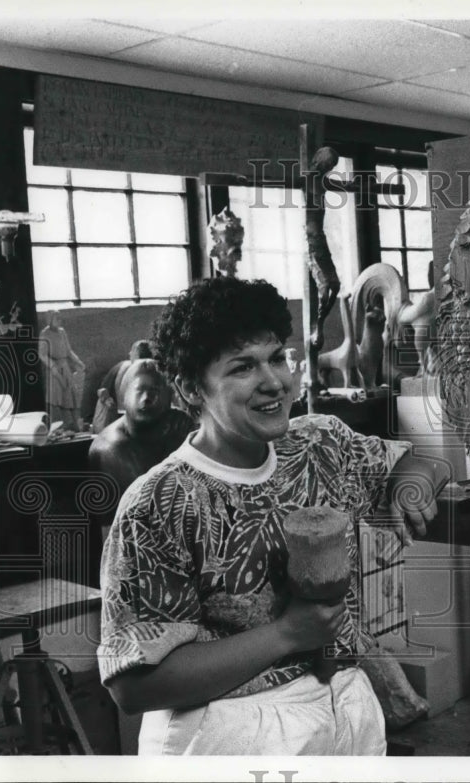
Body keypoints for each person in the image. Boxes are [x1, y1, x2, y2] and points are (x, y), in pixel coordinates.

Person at [97, 276, 446, 756]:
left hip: (345, 708)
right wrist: (287, 634)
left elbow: (414, 461)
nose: (274, 382)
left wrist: (414, 483)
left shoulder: (321, 442)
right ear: (189, 387)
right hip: (233, 735)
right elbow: (134, 687)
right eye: (242, 367)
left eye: (277, 357)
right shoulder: (158, 502)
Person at [87, 358, 195, 539]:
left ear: (169, 397)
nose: (146, 398)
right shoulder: (111, 447)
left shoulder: (178, 426)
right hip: (132, 544)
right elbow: (153, 505)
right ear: (123, 395)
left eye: (154, 391)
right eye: (139, 390)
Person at [90, 339, 154, 434]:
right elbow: (102, 390)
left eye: (132, 352)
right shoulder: (122, 368)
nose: (129, 353)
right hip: (117, 416)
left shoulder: (150, 370)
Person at [38, 310, 85, 431]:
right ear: (50, 319)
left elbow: (68, 350)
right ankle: (57, 425)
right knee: (56, 398)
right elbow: (42, 354)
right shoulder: (45, 334)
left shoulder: (62, 332)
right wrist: (53, 367)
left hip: (65, 366)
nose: (60, 321)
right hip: (53, 369)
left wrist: (77, 361)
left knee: (69, 395)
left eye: (60, 318)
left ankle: (72, 424)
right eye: (57, 318)